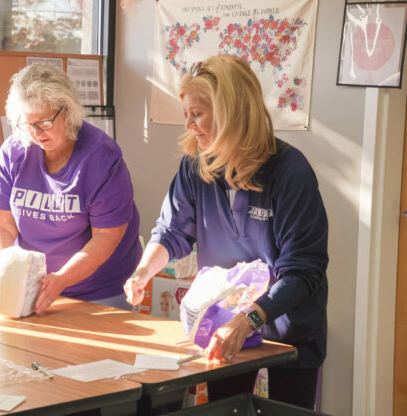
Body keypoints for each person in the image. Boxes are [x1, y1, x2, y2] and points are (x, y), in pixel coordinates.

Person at [123, 55, 328, 410]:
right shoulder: (196, 166)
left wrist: (247, 320)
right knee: (226, 408)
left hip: (288, 329)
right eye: (186, 113)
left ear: (231, 112)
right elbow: (172, 230)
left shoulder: (290, 173)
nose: (189, 125)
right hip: (222, 322)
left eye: (197, 114)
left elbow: (302, 272)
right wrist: (144, 270)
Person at [0, 64, 142, 314]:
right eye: (28, 124)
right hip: (32, 288)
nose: (36, 133)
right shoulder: (13, 152)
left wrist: (62, 279)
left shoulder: (102, 157)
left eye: (45, 122)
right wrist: (7, 272)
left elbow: (107, 236)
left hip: (99, 292)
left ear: (68, 112)